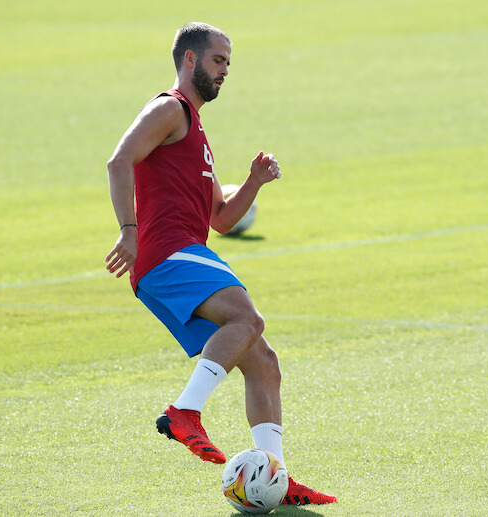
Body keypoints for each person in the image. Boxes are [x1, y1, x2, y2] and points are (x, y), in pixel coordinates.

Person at [105, 22, 336, 506]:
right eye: (217, 60)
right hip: (168, 252)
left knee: (264, 362)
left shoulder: (197, 131)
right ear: (189, 59)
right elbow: (119, 161)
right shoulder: (170, 108)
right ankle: (184, 412)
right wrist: (128, 230)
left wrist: (253, 182)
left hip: (182, 253)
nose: (225, 70)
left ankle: (275, 475)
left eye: (228, 63)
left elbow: (222, 220)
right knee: (246, 319)